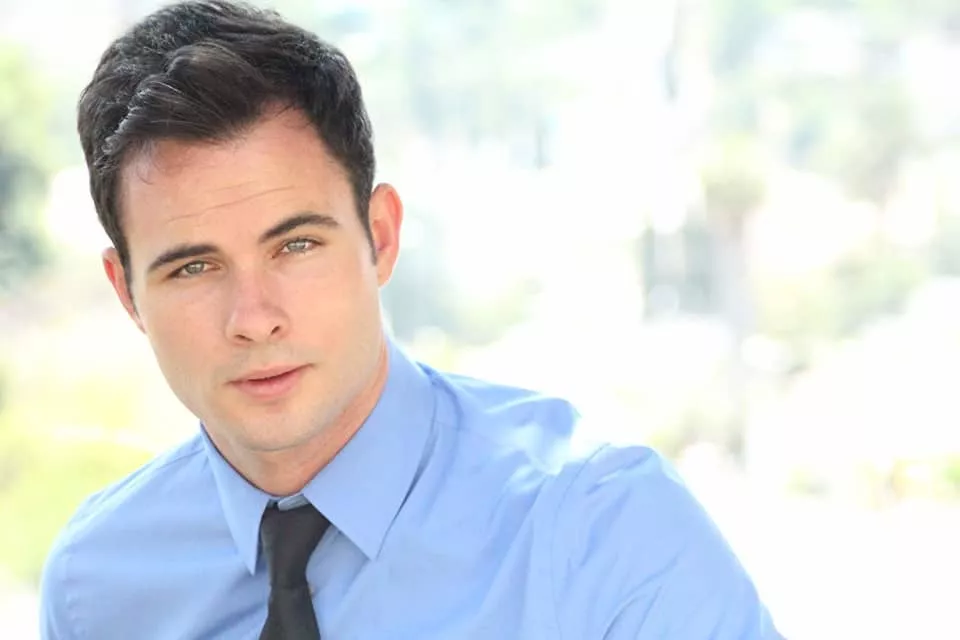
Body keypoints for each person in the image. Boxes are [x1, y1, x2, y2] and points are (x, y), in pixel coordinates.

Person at [39, 1, 784, 638]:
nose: (254, 319)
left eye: (296, 245)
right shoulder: (95, 586)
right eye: (193, 268)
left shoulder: (605, 531)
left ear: (381, 237)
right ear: (127, 294)